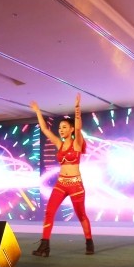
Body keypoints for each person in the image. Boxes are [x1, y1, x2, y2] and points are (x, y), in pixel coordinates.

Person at [30, 94, 94, 257]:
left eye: (64, 127)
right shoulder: (59, 144)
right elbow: (45, 130)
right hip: (61, 184)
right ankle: (44, 246)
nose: (61, 130)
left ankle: (89, 242)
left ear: (71, 129)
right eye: (60, 128)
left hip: (75, 185)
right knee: (49, 212)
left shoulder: (77, 143)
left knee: (81, 215)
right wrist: (38, 111)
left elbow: (78, 127)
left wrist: (77, 108)